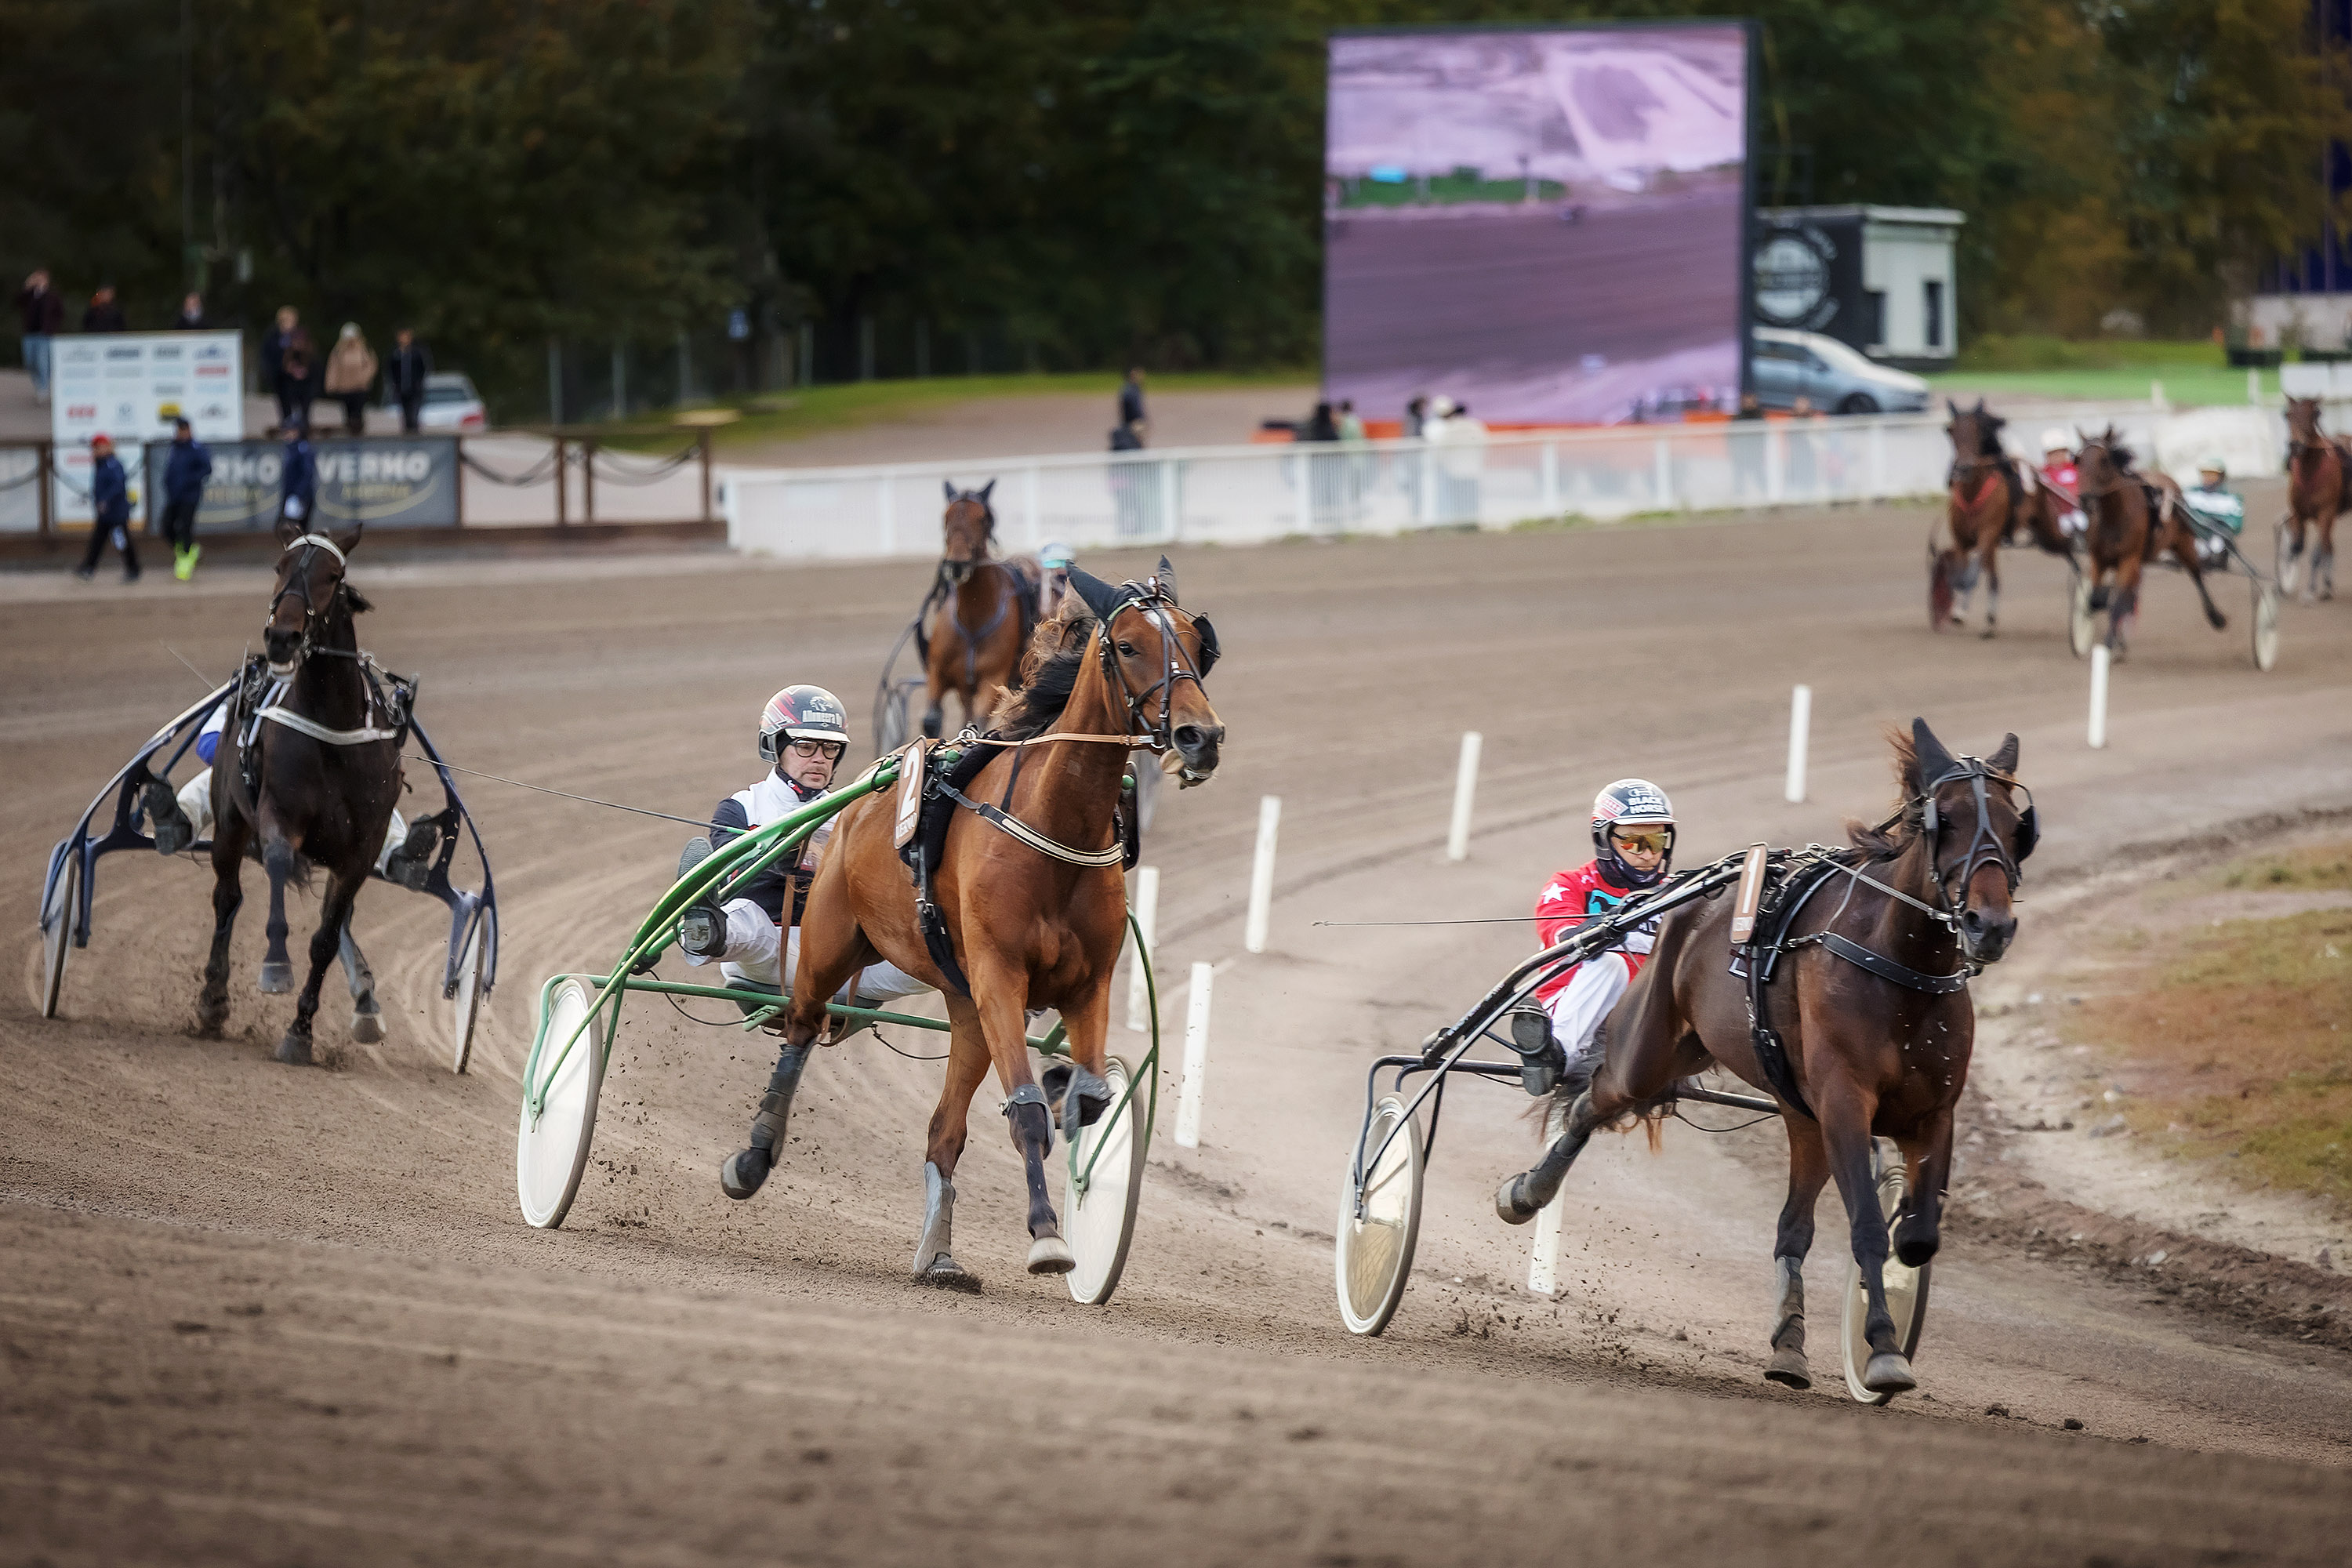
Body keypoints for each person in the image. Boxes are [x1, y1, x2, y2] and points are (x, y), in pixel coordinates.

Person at [675, 686, 931, 1200]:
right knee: (745, 920)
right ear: (775, 746)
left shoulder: (857, 811)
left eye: (830, 749)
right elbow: (732, 861)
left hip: (842, 971)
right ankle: (703, 929)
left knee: (928, 962)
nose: (820, 759)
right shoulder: (743, 805)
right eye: (807, 746)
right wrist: (796, 854)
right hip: (767, 953)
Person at [1523, 780, 1678, 1098]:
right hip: (1568, 1003)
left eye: (1657, 840)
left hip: (1641, 1015)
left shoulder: (1677, 893)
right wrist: (1587, 932)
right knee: (1610, 964)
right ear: (1603, 839)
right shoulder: (1570, 884)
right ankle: (1558, 1055)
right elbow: (1558, 928)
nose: (1649, 853)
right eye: (1635, 842)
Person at [148, 695, 419, 874]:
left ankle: (399, 854)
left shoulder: (330, 702)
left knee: (368, 798)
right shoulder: (253, 695)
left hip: (321, 793)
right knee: (220, 779)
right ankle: (180, 823)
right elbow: (208, 743)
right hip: (260, 785)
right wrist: (243, 758)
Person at [74, 434, 139, 583]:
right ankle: (88, 567)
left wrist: (105, 500)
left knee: (121, 541)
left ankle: (133, 569)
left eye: (99, 447)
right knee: (98, 541)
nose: (96, 450)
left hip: (116, 513)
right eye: (95, 448)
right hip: (105, 514)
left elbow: (118, 486)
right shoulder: (102, 465)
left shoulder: (113, 465)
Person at [160, 418, 212, 581]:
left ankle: (185, 562)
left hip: (189, 496)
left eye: (184, 429)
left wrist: (190, 481)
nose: (181, 433)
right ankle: (189, 551)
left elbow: (206, 468)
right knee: (166, 527)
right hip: (174, 496)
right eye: (179, 429)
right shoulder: (174, 448)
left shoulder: (196, 448)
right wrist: (168, 484)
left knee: (185, 527)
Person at [2181, 455, 2244, 567]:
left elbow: (2236, 525)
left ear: (2221, 476)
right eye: (2205, 474)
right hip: (2195, 536)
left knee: (2217, 546)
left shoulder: (2231, 499)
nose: (2208, 478)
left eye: (2212, 474)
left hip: (2217, 538)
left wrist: (2218, 524)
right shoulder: (2190, 494)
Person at [16, 270, 64, 403]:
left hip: (44, 334)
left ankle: (43, 388)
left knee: (42, 362)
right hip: (29, 334)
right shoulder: (29, 295)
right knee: (30, 362)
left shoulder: (52, 296)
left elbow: (60, 313)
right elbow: (17, 302)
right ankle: (39, 385)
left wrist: (52, 327)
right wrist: (27, 286)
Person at [263, 307, 314, 432]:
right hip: (281, 376)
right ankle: (287, 424)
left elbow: (310, 354)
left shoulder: (301, 335)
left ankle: (303, 426)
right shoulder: (273, 336)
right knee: (284, 402)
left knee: (303, 402)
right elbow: (268, 355)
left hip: (300, 377)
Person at [325, 322, 378, 437]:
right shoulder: (338, 351)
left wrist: (364, 379)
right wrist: (331, 384)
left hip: (360, 388)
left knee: (358, 413)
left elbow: (371, 366)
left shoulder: (364, 349)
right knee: (348, 414)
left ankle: (358, 432)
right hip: (344, 388)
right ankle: (351, 434)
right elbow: (333, 368)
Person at [2039, 429, 2085, 539]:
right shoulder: (2043, 473)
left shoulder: (2076, 469)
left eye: (2061, 452)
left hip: (2077, 509)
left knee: (2083, 523)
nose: (2058, 456)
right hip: (2059, 514)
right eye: (2054, 453)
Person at [385, 328, 433, 434]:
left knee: (414, 413)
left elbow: (423, 368)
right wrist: (395, 384)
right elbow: (391, 370)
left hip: (415, 389)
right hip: (401, 388)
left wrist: (419, 382)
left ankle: (414, 429)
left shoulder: (417, 353)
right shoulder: (395, 354)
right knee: (405, 413)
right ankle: (408, 431)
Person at [280, 416, 317, 527]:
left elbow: (307, 473)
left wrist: (298, 494)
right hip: (291, 495)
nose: (287, 434)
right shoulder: (291, 448)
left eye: (290, 431)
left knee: (296, 528)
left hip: (300, 497)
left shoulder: (303, 449)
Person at [1036, 540, 1077, 618]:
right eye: (1053, 563)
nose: (1059, 568)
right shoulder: (1039, 589)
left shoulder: (1075, 586)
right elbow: (1045, 610)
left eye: (1063, 563)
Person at [1117, 366, 1149, 448]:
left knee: (1136, 442)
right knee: (1135, 443)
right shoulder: (1130, 390)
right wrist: (1140, 419)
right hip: (1133, 422)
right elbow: (1135, 407)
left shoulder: (1133, 389)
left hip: (1132, 421)